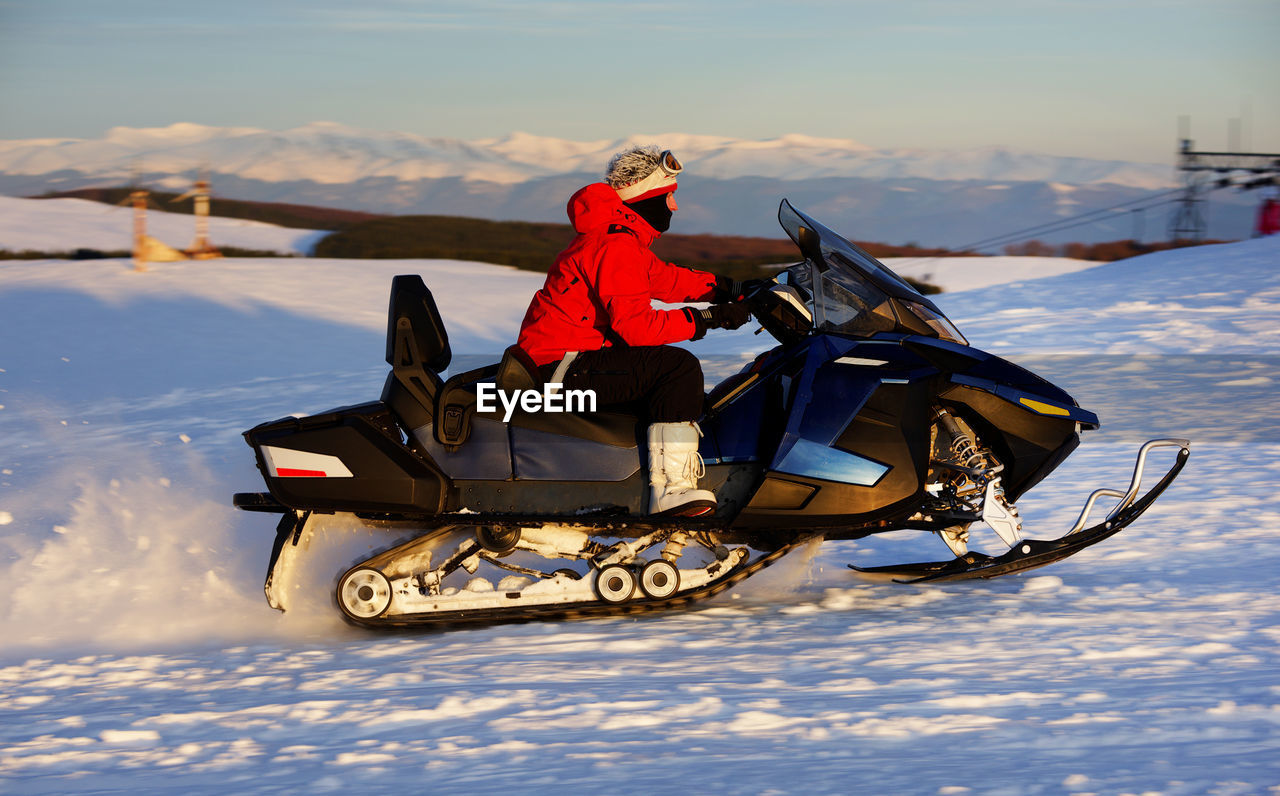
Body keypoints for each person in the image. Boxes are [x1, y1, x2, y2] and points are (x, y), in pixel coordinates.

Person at [515, 146, 756, 516]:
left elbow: (666, 280)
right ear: (645, 199)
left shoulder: (618, 238)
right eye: (668, 196)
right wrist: (709, 319)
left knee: (666, 376)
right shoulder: (615, 245)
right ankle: (672, 488)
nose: (673, 207)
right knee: (676, 369)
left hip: (567, 360)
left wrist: (731, 288)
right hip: (559, 370)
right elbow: (638, 328)